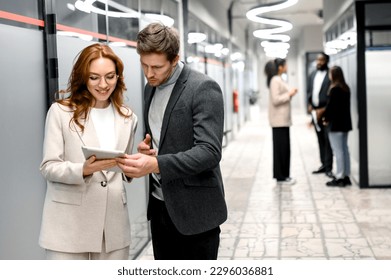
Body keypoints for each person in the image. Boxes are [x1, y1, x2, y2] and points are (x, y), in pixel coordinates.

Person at [116, 23, 227, 260]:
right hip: (159, 208)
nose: (149, 73)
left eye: (156, 67)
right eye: (144, 65)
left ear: (175, 59)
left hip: (196, 212)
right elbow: (161, 139)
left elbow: (209, 152)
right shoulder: (150, 89)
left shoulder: (203, 88)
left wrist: (157, 165)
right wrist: (147, 152)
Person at [39, 43, 138, 260]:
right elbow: (48, 167)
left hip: (113, 226)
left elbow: (121, 170)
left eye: (110, 76)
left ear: (118, 77)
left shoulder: (128, 117)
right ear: (83, 77)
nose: (103, 85)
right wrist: (83, 169)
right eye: (94, 77)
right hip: (68, 225)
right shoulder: (61, 112)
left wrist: (137, 163)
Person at [264, 58, 298, 185]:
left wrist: (290, 94)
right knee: (281, 150)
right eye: (286, 65)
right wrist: (289, 94)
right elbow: (276, 99)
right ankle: (281, 176)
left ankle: (284, 175)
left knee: (284, 149)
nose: (287, 67)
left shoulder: (279, 79)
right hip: (279, 121)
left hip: (283, 120)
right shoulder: (275, 80)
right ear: (280, 67)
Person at [322, 66, 352, 187]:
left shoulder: (334, 89)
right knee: (345, 150)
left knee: (338, 151)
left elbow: (331, 108)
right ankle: (346, 175)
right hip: (345, 125)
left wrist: (325, 118)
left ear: (333, 75)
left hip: (335, 126)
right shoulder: (346, 88)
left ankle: (339, 177)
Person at [307, 52, 333, 177]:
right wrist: (309, 103)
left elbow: (331, 94)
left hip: (326, 111)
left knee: (327, 139)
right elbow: (309, 90)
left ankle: (329, 167)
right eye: (318, 60)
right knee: (320, 138)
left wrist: (324, 109)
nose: (319, 62)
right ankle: (323, 164)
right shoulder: (313, 74)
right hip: (314, 110)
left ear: (327, 61)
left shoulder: (330, 74)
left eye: (321, 60)